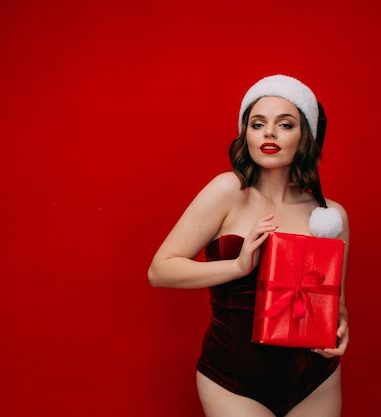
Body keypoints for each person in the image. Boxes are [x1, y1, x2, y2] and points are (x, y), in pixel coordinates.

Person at [148, 75, 350, 417]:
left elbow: (338, 304)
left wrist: (342, 326)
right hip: (233, 380)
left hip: (314, 379)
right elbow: (159, 270)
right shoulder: (228, 191)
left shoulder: (330, 216)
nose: (269, 133)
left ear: (306, 136)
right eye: (258, 124)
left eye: (285, 124)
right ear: (247, 135)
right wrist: (237, 266)